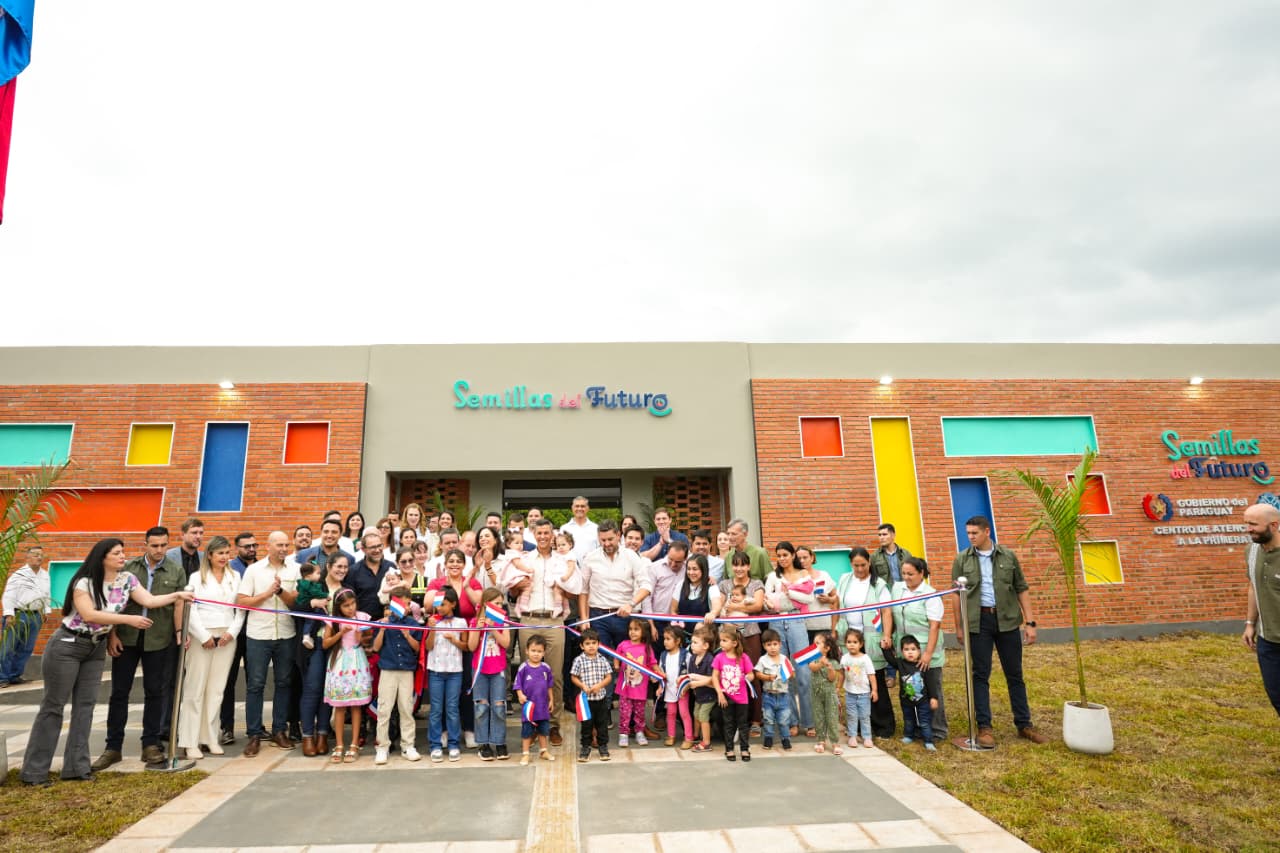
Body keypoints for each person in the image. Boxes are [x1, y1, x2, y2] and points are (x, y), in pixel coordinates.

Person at [20, 539, 191, 786]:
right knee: (53, 708)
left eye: (123, 552)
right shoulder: (84, 582)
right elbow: (89, 615)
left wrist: (178, 594)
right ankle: (34, 772)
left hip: (95, 647)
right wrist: (128, 620)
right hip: (68, 645)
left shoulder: (128, 580)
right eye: (116, 553)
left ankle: (76, 768)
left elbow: (150, 601)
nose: (123, 556)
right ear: (103, 557)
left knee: (85, 707)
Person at [93, 526, 187, 771]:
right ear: (145, 544)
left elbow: (178, 605)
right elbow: (115, 604)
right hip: (126, 638)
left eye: (163, 545)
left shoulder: (176, 571)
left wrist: (178, 632)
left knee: (155, 692)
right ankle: (113, 747)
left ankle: (151, 744)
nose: (159, 550)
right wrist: (111, 635)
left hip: (158, 639)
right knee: (119, 693)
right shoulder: (128, 569)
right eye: (154, 545)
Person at [952, 515, 1048, 746]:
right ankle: (984, 727)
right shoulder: (962, 559)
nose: (971, 537)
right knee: (980, 674)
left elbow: (1021, 588)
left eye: (975, 533)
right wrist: (959, 627)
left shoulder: (1008, 556)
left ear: (987, 531)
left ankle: (1024, 724)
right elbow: (956, 595)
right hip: (978, 622)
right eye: (968, 533)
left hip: (1006, 621)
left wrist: (1030, 622)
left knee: (1015, 674)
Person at [503, 518, 581, 747]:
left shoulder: (563, 560)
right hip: (529, 619)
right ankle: (533, 724)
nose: (544, 536)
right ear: (534, 535)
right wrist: (519, 585)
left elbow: (575, 591)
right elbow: (512, 590)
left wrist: (564, 589)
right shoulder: (524, 559)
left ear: (552, 535)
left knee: (555, 676)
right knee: (531, 677)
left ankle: (553, 725)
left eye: (547, 533)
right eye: (540, 533)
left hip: (555, 621)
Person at [179, 536, 244, 760]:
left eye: (227, 553)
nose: (225, 557)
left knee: (216, 690)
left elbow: (240, 608)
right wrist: (203, 635)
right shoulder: (196, 578)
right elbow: (191, 609)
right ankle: (189, 741)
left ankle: (209, 737)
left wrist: (231, 633)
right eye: (220, 553)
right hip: (201, 636)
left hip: (226, 636)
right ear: (210, 555)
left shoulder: (235, 577)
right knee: (195, 688)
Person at [237, 531, 301, 756]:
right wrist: (266, 593)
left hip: (285, 633)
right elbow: (242, 601)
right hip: (258, 635)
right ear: (269, 546)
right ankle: (254, 734)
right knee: (255, 685)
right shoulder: (253, 570)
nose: (284, 549)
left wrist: (281, 591)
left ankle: (279, 730)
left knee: (284, 683)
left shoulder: (295, 569)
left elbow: (296, 603)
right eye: (280, 545)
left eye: (286, 545)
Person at [833, 547, 896, 739]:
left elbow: (886, 611)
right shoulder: (844, 579)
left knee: (873, 678)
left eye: (863, 565)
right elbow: (836, 605)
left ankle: (883, 725)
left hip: (870, 638)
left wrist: (886, 635)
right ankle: (861, 724)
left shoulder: (879, 584)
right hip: (849, 637)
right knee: (855, 680)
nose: (859, 569)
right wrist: (834, 629)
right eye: (855, 565)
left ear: (869, 562)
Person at [296, 552, 353, 757]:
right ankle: (308, 736)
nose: (342, 570)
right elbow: (298, 605)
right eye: (338, 566)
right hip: (315, 643)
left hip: (338, 645)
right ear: (328, 566)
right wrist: (312, 604)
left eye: (345, 567)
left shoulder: (347, 590)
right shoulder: (314, 584)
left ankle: (322, 734)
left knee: (329, 690)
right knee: (313, 688)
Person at [893, 556, 948, 743]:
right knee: (912, 688)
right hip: (907, 650)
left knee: (931, 689)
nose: (906, 577)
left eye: (911, 574)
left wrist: (927, 654)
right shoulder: (897, 589)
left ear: (921, 573)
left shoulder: (930, 594)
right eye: (904, 573)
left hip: (926, 650)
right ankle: (916, 727)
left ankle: (937, 729)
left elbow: (934, 626)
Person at [763, 541, 814, 737]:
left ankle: (809, 722)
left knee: (803, 673)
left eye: (786, 554)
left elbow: (808, 599)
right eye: (779, 555)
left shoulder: (803, 575)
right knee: (783, 672)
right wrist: (778, 602)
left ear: (793, 555)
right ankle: (791, 721)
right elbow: (769, 602)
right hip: (777, 623)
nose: (782, 558)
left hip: (797, 622)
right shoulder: (772, 576)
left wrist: (788, 593)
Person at [580, 519, 653, 653]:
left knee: (627, 659)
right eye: (603, 540)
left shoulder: (631, 556)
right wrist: (584, 619)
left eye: (610, 539)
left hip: (624, 616)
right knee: (601, 660)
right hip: (598, 617)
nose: (607, 544)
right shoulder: (590, 558)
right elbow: (583, 591)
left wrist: (631, 604)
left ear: (619, 535)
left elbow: (646, 586)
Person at [372, 584, 422, 765]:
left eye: (408, 604)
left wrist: (408, 636)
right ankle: (382, 746)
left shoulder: (413, 624)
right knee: (384, 709)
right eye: (402, 604)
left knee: (406, 708)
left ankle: (408, 745)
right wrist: (383, 630)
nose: (406, 607)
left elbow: (417, 649)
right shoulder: (383, 622)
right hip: (388, 670)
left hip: (406, 670)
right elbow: (376, 648)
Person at [322, 588, 372, 763]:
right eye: (346, 606)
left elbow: (368, 638)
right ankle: (339, 744)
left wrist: (361, 638)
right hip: (340, 662)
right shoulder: (333, 620)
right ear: (338, 607)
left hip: (357, 661)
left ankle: (354, 744)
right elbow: (325, 643)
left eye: (352, 604)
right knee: (340, 705)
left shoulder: (363, 617)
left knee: (356, 705)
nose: (350, 608)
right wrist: (340, 633)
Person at [718, 551, 765, 734]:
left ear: (748, 566)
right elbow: (721, 606)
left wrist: (735, 606)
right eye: (735, 565)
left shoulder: (756, 584)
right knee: (729, 675)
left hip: (751, 634)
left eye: (742, 565)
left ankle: (755, 719)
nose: (738, 569)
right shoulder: (724, 584)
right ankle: (735, 720)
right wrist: (731, 608)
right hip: (729, 635)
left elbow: (757, 606)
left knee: (752, 673)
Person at [219, 532, 257, 747]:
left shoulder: (260, 568)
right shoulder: (230, 569)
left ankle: (255, 726)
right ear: (237, 548)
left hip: (254, 632)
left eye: (254, 545)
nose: (251, 549)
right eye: (246, 546)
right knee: (228, 681)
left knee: (255, 681)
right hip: (232, 632)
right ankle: (227, 727)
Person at [1243, 503, 1280, 718]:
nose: (1248, 529)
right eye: (1246, 523)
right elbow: (1253, 586)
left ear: (1274, 525)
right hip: (1268, 641)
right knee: (1276, 696)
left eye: (1253, 524)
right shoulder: (1252, 551)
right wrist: (1250, 624)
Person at [468, 587, 512, 761]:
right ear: (486, 604)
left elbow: (506, 643)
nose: (500, 606)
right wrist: (478, 629)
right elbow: (471, 647)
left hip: (498, 669)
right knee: (481, 706)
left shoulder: (504, 620)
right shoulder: (474, 621)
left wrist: (494, 629)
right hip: (480, 670)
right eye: (496, 603)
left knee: (499, 706)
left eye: (501, 603)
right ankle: (483, 743)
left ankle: (499, 741)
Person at [425, 586, 467, 762]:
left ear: (453, 604)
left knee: (452, 709)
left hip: (455, 671)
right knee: (435, 709)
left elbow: (466, 647)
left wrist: (454, 640)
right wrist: (432, 629)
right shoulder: (433, 621)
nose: (440, 608)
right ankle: (435, 745)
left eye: (443, 604)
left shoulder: (461, 623)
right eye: (437, 605)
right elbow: (428, 647)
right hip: (436, 671)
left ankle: (453, 744)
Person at [1, 545, 51, 688]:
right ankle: (2, 677)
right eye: (35, 554)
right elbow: (8, 595)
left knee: (26, 647)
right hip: (18, 614)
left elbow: (47, 594)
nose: (39, 557)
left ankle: (15, 675)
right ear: (27, 557)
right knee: (8, 647)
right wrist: (9, 614)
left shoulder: (45, 574)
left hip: (35, 616)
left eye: (41, 554)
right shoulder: (19, 574)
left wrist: (46, 610)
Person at [883, 635, 937, 751]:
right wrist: (885, 648)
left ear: (919, 651)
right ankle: (908, 736)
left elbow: (931, 683)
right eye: (906, 650)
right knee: (908, 719)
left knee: (925, 722)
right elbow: (890, 660)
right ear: (902, 652)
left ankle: (928, 741)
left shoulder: (923, 665)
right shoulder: (900, 663)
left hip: (923, 701)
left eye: (913, 649)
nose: (910, 652)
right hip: (906, 700)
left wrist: (933, 698)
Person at [570, 627, 613, 762]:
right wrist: (583, 686)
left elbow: (609, 677)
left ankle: (603, 747)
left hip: (600, 698)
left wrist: (599, 685)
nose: (591, 646)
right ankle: (585, 747)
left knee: (602, 724)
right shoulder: (579, 660)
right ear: (582, 646)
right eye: (587, 644)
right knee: (586, 725)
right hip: (586, 700)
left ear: (599, 644)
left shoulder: (602, 659)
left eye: (594, 643)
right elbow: (574, 677)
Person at [712, 624, 753, 762]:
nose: (721, 643)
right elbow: (715, 677)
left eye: (724, 640)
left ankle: (744, 748)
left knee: (743, 724)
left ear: (734, 643)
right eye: (721, 640)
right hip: (726, 697)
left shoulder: (744, 658)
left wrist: (748, 677)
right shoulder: (719, 658)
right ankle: (729, 749)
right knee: (728, 724)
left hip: (742, 698)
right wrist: (719, 693)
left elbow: (751, 674)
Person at [614, 618, 656, 748]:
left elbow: (652, 663)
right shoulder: (623, 645)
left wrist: (657, 675)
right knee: (624, 712)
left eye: (636, 629)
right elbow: (616, 656)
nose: (632, 632)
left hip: (641, 688)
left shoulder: (647, 648)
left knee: (640, 712)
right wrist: (616, 665)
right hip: (625, 687)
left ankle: (639, 732)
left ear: (643, 632)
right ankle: (623, 733)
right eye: (631, 629)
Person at [515, 634, 555, 765]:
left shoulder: (546, 668)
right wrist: (520, 695)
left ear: (544, 652)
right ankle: (525, 754)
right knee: (527, 731)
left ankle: (544, 751)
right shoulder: (523, 668)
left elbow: (549, 685)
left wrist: (551, 700)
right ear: (526, 651)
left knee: (543, 730)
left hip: (542, 706)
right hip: (529, 707)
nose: (536, 654)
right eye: (533, 651)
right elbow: (517, 684)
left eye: (539, 651)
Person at [753, 628, 793, 751]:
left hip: (783, 695)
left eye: (775, 644)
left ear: (780, 644)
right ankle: (768, 738)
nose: (772, 647)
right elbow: (757, 674)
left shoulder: (784, 659)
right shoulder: (763, 660)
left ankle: (785, 738)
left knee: (784, 719)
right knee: (768, 718)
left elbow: (792, 673)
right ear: (764, 646)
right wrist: (767, 677)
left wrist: (789, 674)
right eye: (769, 645)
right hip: (768, 695)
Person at [841, 628, 877, 749]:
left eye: (855, 642)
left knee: (864, 716)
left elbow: (871, 675)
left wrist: (874, 690)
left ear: (861, 644)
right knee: (851, 715)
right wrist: (838, 687)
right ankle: (852, 736)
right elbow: (842, 674)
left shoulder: (865, 658)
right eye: (849, 642)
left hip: (864, 693)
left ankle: (867, 737)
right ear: (845, 643)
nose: (851, 644)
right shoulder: (845, 658)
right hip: (850, 693)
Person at [808, 630, 843, 755]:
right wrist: (820, 664)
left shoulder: (832, 662)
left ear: (827, 648)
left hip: (830, 694)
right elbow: (812, 667)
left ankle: (834, 742)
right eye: (813, 643)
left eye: (817, 643)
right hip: (816, 694)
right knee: (819, 716)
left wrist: (830, 668)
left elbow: (832, 678)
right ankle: (821, 740)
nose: (814, 646)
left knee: (832, 717)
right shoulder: (813, 659)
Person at [658, 625, 693, 748]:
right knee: (671, 713)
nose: (665, 642)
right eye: (664, 638)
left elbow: (690, 672)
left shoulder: (685, 655)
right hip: (669, 689)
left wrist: (687, 686)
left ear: (678, 641)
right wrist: (659, 687)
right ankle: (671, 735)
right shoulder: (663, 655)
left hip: (682, 689)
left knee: (684, 712)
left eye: (668, 639)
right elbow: (661, 673)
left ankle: (689, 737)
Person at [349, 531, 395, 620]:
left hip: (388, 623)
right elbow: (349, 600)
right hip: (363, 625)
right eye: (373, 547)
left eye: (379, 546)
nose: (377, 550)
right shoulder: (353, 571)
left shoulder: (391, 567)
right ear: (363, 549)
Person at [670, 554, 722, 630]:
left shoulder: (711, 586)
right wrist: (677, 626)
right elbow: (673, 610)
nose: (691, 572)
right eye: (689, 569)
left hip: (704, 634)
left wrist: (712, 614)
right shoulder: (681, 584)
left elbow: (717, 606)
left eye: (695, 569)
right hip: (682, 633)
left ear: (703, 570)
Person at [686, 626, 717, 752]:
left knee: (703, 716)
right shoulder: (693, 658)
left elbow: (712, 679)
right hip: (699, 695)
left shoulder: (710, 659)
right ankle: (696, 736)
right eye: (692, 642)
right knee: (696, 714)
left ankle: (706, 743)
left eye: (695, 643)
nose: (692, 645)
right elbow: (690, 675)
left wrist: (697, 683)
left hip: (709, 695)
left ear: (705, 646)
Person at [722, 518, 772, 584]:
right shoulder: (728, 556)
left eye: (734, 534)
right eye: (728, 534)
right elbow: (726, 581)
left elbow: (771, 579)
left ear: (745, 534)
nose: (730, 537)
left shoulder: (760, 553)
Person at [295, 561, 328, 651]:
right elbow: (315, 592)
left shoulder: (302, 583)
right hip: (308, 605)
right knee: (313, 618)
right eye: (317, 573)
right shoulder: (309, 585)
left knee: (311, 619)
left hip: (305, 603)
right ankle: (320, 629)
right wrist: (326, 595)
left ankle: (307, 635)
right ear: (309, 576)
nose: (320, 575)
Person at [559, 496, 599, 563]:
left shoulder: (596, 528)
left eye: (582, 506)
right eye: (577, 506)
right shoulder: (564, 528)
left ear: (588, 508)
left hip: (591, 568)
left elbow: (599, 550)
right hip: (570, 569)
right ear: (572, 508)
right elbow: (559, 550)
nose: (579, 508)